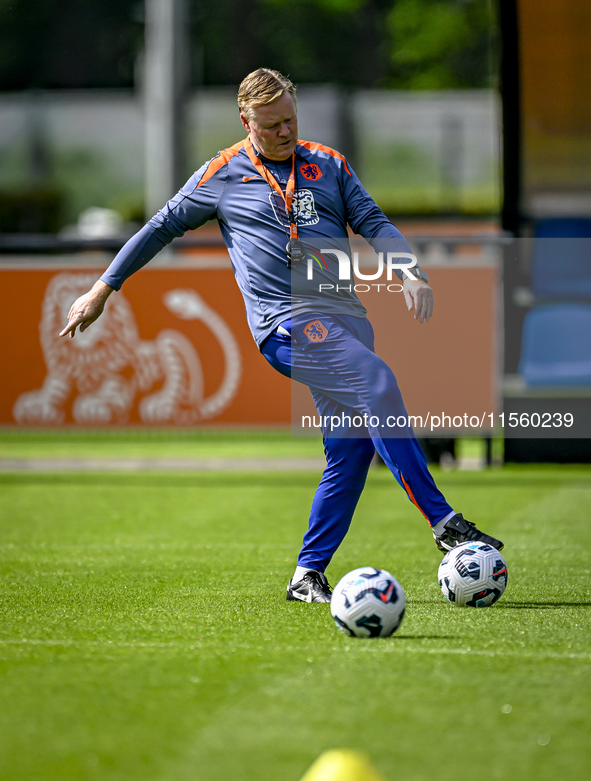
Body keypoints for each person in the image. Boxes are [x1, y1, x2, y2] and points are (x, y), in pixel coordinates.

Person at [60, 68, 503, 604]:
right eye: (272, 125)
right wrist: (103, 288)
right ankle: (444, 521)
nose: (285, 132)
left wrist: (408, 269)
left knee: (352, 449)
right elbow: (160, 227)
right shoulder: (222, 174)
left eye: (290, 119)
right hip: (287, 325)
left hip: (347, 322)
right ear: (246, 122)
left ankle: (307, 575)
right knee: (378, 380)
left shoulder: (329, 164)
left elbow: (372, 219)